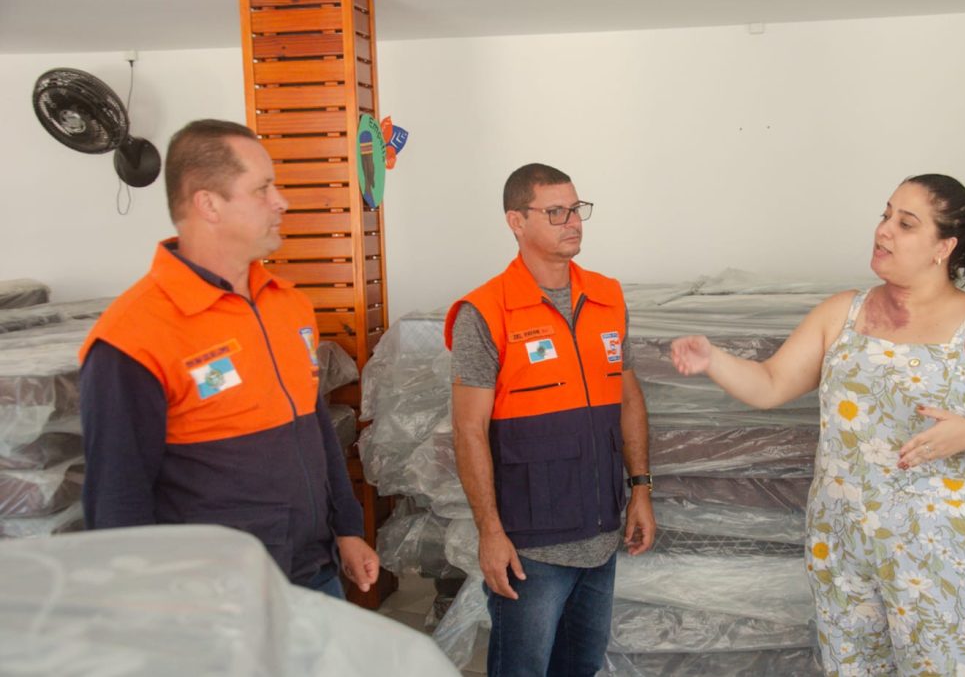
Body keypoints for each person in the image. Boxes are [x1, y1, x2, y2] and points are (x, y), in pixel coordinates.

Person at [672, 174, 965, 676]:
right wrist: (713, 360)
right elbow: (770, 383)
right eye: (885, 214)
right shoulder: (842, 314)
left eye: (906, 224)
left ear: (944, 247)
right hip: (843, 546)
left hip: (943, 556)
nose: (884, 230)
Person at [78, 119, 379, 600]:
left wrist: (347, 527)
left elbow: (315, 424)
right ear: (208, 204)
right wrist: (142, 610)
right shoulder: (132, 337)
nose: (281, 201)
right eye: (262, 189)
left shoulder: (288, 305)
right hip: (211, 598)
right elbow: (117, 497)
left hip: (314, 574)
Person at [444, 163, 656, 676]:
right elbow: (468, 431)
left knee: (580, 668)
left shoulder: (606, 297)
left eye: (576, 209)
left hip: (602, 535)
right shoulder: (486, 311)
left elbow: (627, 399)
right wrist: (490, 533)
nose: (573, 221)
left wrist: (641, 490)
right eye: (556, 212)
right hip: (530, 547)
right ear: (516, 221)